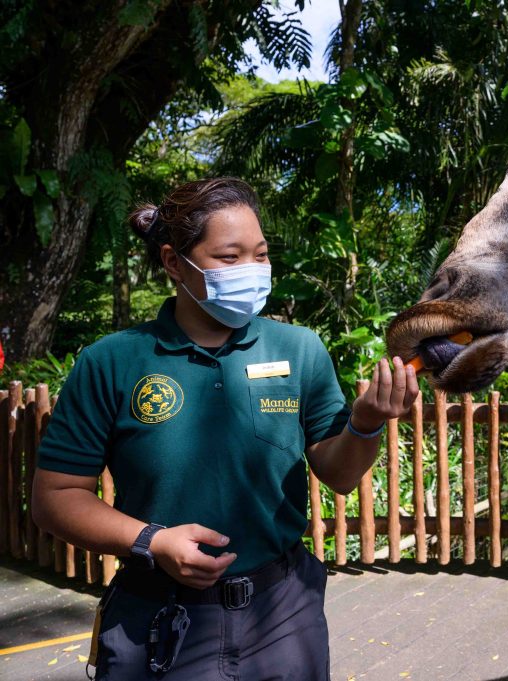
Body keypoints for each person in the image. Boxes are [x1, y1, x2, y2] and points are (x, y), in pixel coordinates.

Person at [31, 177, 417, 680]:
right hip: (158, 621)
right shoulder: (112, 361)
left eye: (260, 254)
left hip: (283, 614)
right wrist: (153, 540)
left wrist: (365, 425)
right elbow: (56, 496)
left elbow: (339, 475)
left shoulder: (298, 349)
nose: (253, 271)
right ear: (174, 263)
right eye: (230, 258)